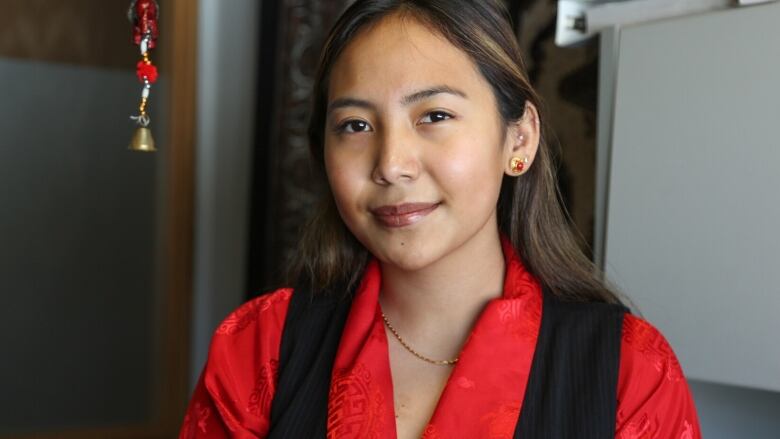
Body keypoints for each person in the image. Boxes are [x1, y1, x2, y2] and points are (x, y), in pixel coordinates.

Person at [179, 1, 701, 438]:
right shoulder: (259, 348)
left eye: (434, 116)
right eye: (355, 125)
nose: (390, 164)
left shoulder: (630, 373)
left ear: (518, 139)